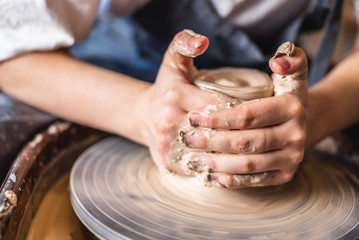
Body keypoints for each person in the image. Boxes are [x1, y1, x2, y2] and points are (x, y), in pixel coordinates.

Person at [0, 0, 358, 188]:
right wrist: (139, 111)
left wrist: (316, 114)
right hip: (119, 62)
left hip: (268, 75)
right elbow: (10, 50)